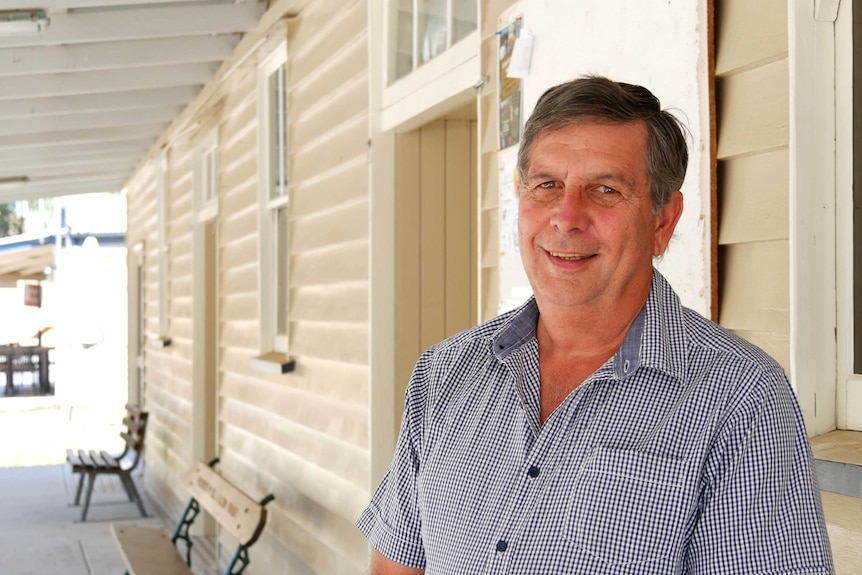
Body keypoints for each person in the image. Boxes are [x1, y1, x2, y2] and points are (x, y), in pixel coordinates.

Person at [356, 75, 834, 574]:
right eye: (547, 185)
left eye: (605, 190)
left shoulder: (739, 398)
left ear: (662, 222)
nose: (567, 217)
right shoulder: (444, 374)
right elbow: (396, 565)